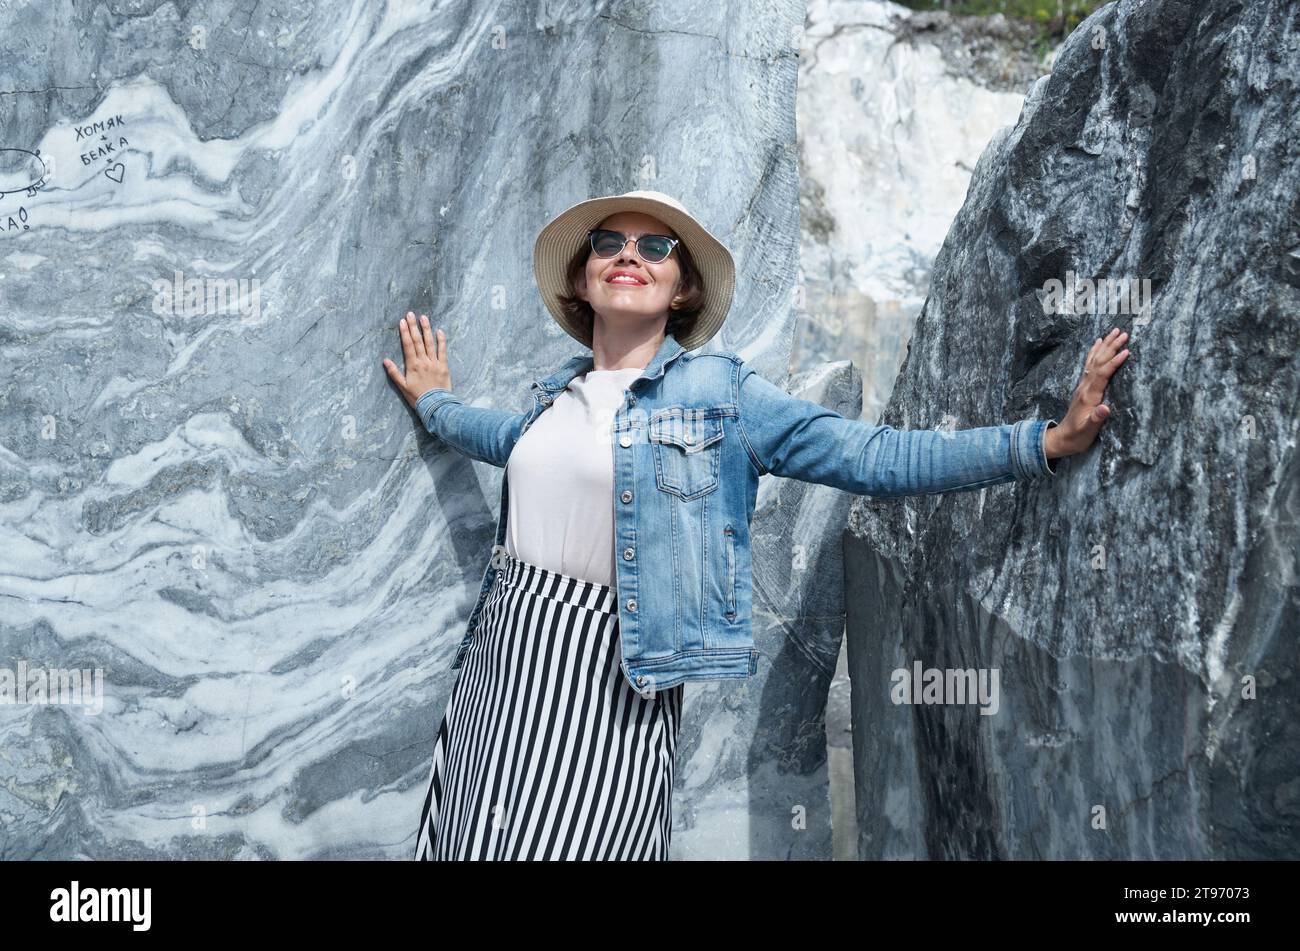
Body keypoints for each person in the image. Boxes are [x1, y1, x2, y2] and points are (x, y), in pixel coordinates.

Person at [382, 189, 1131, 861]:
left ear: (683, 289)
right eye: (608, 244)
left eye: (655, 247)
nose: (629, 257)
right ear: (582, 279)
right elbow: (500, 440)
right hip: (504, 661)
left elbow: (874, 455)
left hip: (612, 678)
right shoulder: (557, 397)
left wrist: (1043, 442)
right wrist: (434, 404)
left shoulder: (723, 393)